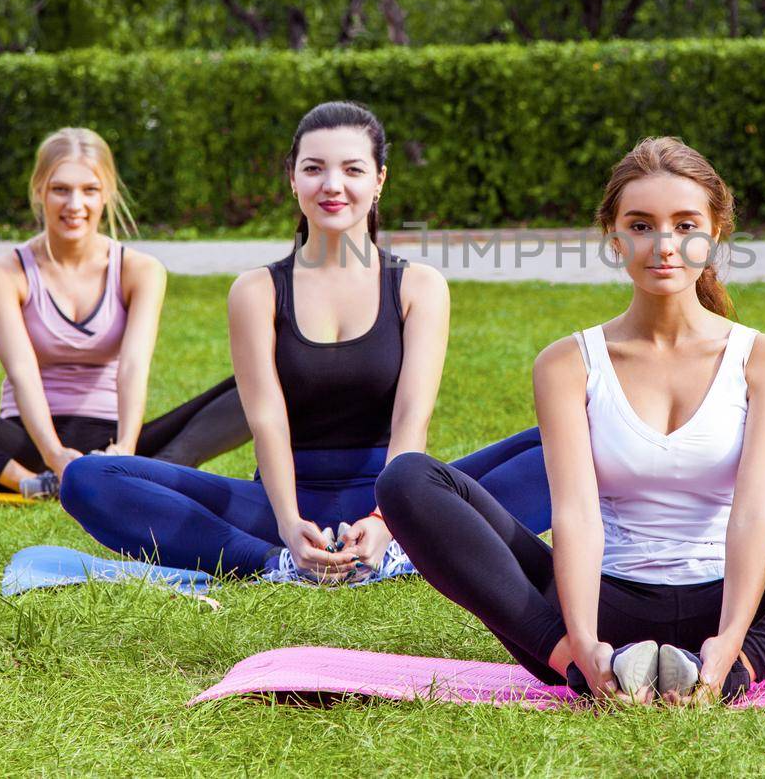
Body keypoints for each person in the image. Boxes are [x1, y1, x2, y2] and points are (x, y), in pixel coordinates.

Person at [377, 137, 765, 702]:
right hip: (601, 609)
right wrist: (582, 640)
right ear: (614, 240)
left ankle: (736, 674)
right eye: (641, 225)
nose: (664, 245)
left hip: (740, 619)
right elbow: (575, 515)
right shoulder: (566, 362)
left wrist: (732, 643)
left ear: (714, 233)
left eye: (685, 226)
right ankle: (578, 670)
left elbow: (756, 512)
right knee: (406, 480)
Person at [60, 101, 550, 581]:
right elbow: (267, 420)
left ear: (379, 180)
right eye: (314, 168)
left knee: (570, 444)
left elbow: (410, 420)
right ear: (292, 179)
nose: (332, 185)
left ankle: (396, 548)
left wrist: (384, 520)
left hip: (403, 500)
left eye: (352, 169)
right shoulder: (256, 291)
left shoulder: (418, 286)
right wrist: (289, 525)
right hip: (278, 504)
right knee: (87, 479)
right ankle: (277, 562)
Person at [0, 127, 251, 500]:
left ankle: (151, 472)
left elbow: (134, 367)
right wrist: (54, 456)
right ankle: (24, 482)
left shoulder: (140, 270)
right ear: (39, 192)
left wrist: (126, 449)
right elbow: (22, 372)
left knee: (270, 374)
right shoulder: (5, 273)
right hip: (29, 446)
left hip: (114, 443)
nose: (75, 205)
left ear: (107, 195)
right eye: (60, 190)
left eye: (89, 190)